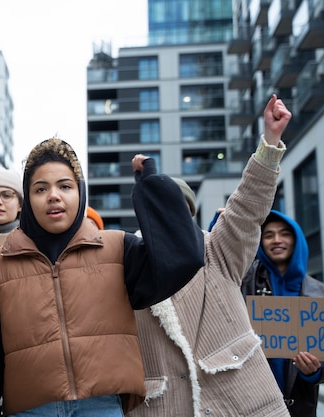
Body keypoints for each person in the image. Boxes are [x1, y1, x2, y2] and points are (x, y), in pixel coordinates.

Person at [0, 137, 205, 416]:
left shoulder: (117, 250)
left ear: (81, 192)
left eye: (65, 186)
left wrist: (152, 186)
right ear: (28, 200)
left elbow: (184, 256)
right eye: (41, 189)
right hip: (31, 410)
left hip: (101, 406)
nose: (54, 195)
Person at [129, 94, 293, 417]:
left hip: (245, 404)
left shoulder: (217, 250)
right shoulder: (127, 268)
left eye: (179, 211)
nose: (170, 223)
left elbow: (247, 208)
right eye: (161, 211)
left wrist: (270, 144)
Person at [242, 210, 324, 416]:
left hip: (299, 406)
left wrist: (315, 373)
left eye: (285, 233)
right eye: (268, 235)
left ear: (296, 239)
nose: (277, 240)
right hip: (250, 403)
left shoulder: (319, 293)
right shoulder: (243, 282)